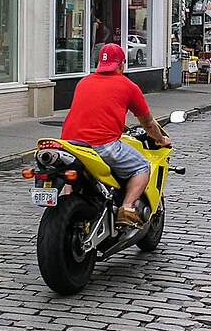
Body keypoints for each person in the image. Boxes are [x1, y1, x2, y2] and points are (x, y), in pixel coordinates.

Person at [61, 43, 171, 228]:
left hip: (70, 144)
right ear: (121, 65)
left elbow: (93, 112)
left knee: (70, 173)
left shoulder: (84, 81)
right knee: (142, 167)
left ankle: (66, 202)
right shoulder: (128, 86)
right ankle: (126, 208)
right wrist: (161, 139)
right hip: (101, 145)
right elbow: (148, 123)